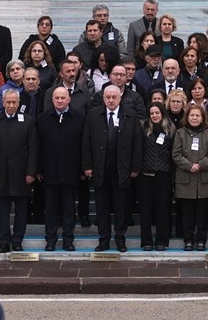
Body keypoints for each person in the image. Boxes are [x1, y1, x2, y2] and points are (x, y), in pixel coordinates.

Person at [83, 84, 143, 252]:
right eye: (107, 97)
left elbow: (137, 143)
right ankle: (104, 239)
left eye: (114, 97)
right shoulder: (93, 115)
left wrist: (135, 167)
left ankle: (120, 238)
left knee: (121, 206)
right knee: (102, 206)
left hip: (122, 168)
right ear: (103, 98)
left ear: (120, 98)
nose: (110, 100)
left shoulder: (130, 116)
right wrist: (87, 165)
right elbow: (86, 141)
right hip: (100, 167)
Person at [35, 87, 85, 251]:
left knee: (69, 208)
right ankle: (50, 240)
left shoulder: (79, 118)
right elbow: (38, 147)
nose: (60, 101)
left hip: (71, 171)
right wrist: (38, 169)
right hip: (49, 172)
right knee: (50, 209)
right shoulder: (42, 119)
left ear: (69, 99)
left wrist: (84, 168)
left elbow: (84, 145)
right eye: (57, 98)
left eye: (63, 98)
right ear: (52, 100)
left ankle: (68, 240)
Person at [0, 89, 36, 253]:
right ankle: (4, 241)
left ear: (18, 103)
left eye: (14, 102)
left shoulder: (28, 122)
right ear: (3, 103)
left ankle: (17, 240)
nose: (11, 105)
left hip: (21, 174)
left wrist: (31, 172)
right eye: (8, 102)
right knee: (2, 211)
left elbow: (33, 148)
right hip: (1, 174)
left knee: (21, 211)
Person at [173, 103, 208, 252]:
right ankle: (188, 240)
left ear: (202, 118)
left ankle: (201, 240)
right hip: (185, 179)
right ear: (187, 117)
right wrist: (189, 165)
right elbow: (176, 154)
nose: (195, 118)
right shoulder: (180, 133)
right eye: (192, 115)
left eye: (198, 115)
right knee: (187, 214)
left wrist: (200, 165)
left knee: (202, 215)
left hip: (204, 180)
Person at [138, 103, 175, 251]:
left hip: (164, 174)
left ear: (163, 114)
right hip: (146, 175)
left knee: (163, 209)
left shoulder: (170, 130)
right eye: (152, 113)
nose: (154, 115)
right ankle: (146, 241)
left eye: (157, 113)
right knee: (145, 209)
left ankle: (162, 241)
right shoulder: (143, 129)